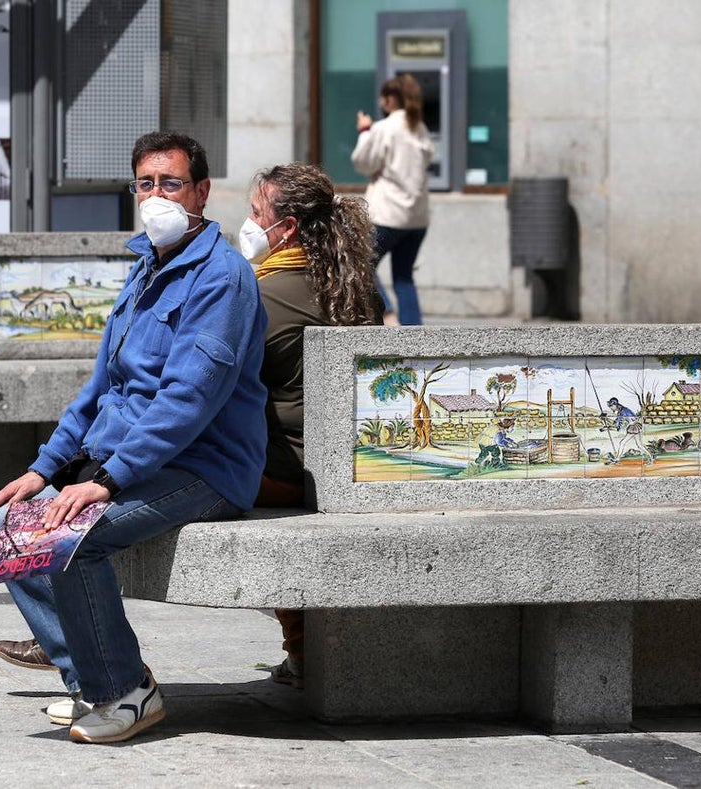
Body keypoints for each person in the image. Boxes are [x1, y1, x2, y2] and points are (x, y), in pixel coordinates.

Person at [0, 131, 268, 745]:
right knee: (9, 526)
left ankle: (125, 694)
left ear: (202, 192)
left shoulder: (222, 278)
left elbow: (187, 400)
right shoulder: (146, 267)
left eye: (171, 183)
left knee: (70, 538)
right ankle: (95, 681)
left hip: (204, 469)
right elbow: (101, 386)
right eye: (146, 183)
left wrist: (107, 481)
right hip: (133, 463)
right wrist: (43, 469)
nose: (157, 195)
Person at [238, 162, 381, 687]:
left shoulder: (263, 296)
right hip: (349, 466)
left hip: (287, 472)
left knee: (199, 471)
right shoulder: (356, 284)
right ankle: (302, 650)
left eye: (256, 213)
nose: (248, 223)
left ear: (288, 228)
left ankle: (78, 633)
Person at [351, 73, 434, 327]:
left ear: (390, 99)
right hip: (416, 218)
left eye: (383, 97)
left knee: (358, 262)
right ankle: (414, 334)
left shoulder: (384, 128)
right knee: (404, 277)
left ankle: (385, 313)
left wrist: (365, 130)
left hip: (387, 215)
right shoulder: (419, 128)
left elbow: (362, 161)